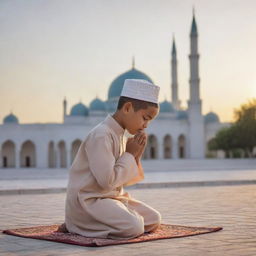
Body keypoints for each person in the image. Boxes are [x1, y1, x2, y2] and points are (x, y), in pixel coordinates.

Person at [64, 79, 161, 240]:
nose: (146, 125)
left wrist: (135, 154)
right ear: (128, 108)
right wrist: (129, 155)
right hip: (89, 202)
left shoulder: (121, 135)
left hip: (111, 199)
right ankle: (77, 224)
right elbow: (107, 182)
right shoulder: (101, 135)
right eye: (145, 118)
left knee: (153, 219)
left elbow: (122, 181)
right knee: (134, 226)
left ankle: (99, 223)